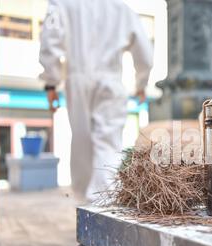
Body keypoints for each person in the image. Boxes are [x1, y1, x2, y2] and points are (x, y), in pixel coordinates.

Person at [39, 0, 153, 202]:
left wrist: (51, 82)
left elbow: (51, 40)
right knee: (108, 143)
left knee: (82, 142)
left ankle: (85, 201)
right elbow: (144, 52)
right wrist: (141, 83)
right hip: (110, 82)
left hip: (78, 79)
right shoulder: (122, 9)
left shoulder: (62, 4)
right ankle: (103, 201)